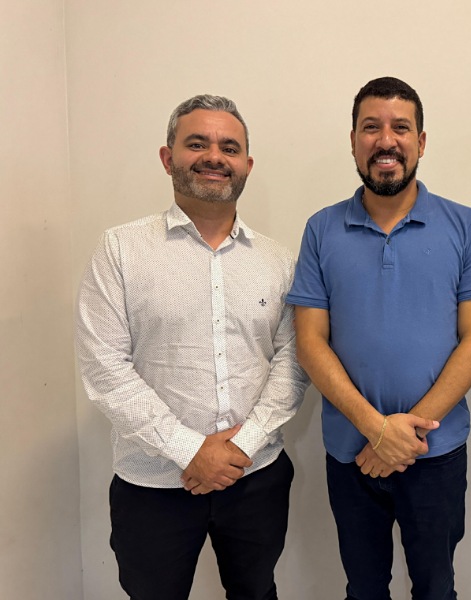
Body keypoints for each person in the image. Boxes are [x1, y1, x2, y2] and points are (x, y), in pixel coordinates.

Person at [76, 94, 309, 600]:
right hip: (152, 484)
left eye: (230, 147)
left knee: (257, 591)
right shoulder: (120, 250)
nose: (214, 157)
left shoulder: (278, 260)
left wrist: (240, 447)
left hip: (255, 476)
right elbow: (105, 368)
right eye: (197, 144)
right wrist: (190, 451)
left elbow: (294, 361)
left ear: (247, 165)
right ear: (168, 157)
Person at [287, 76, 471, 599]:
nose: (386, 141)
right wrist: (376, 430)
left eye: (401, 128)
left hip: (436, 453)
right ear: (354, 141)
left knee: (436, 588)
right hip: (351, 453)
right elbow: (310, 343)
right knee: (364, 588)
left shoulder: (467, 226)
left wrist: (404, 437)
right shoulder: (321, 229)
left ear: (421, 142)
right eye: (371, 128)